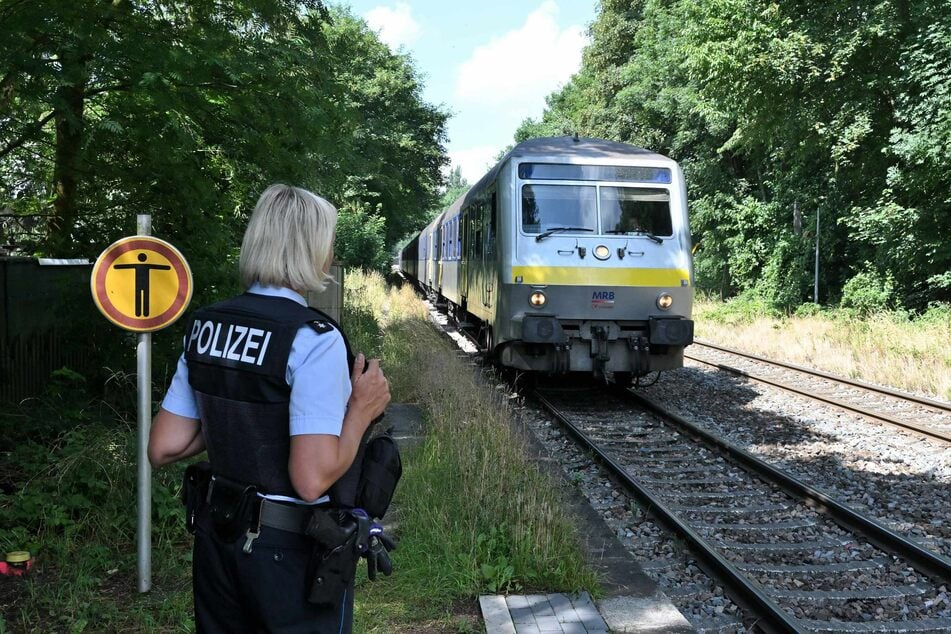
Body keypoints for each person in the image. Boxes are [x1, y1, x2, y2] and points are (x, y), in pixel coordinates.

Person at [148, 184, 391, 633]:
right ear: (313, 249)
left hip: (218, 541)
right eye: (328, 241)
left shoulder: (207, 325)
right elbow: (311, 477)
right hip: (290, 552)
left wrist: (237, 409)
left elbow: (164, 446)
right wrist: (362, 409)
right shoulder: (313, 339)